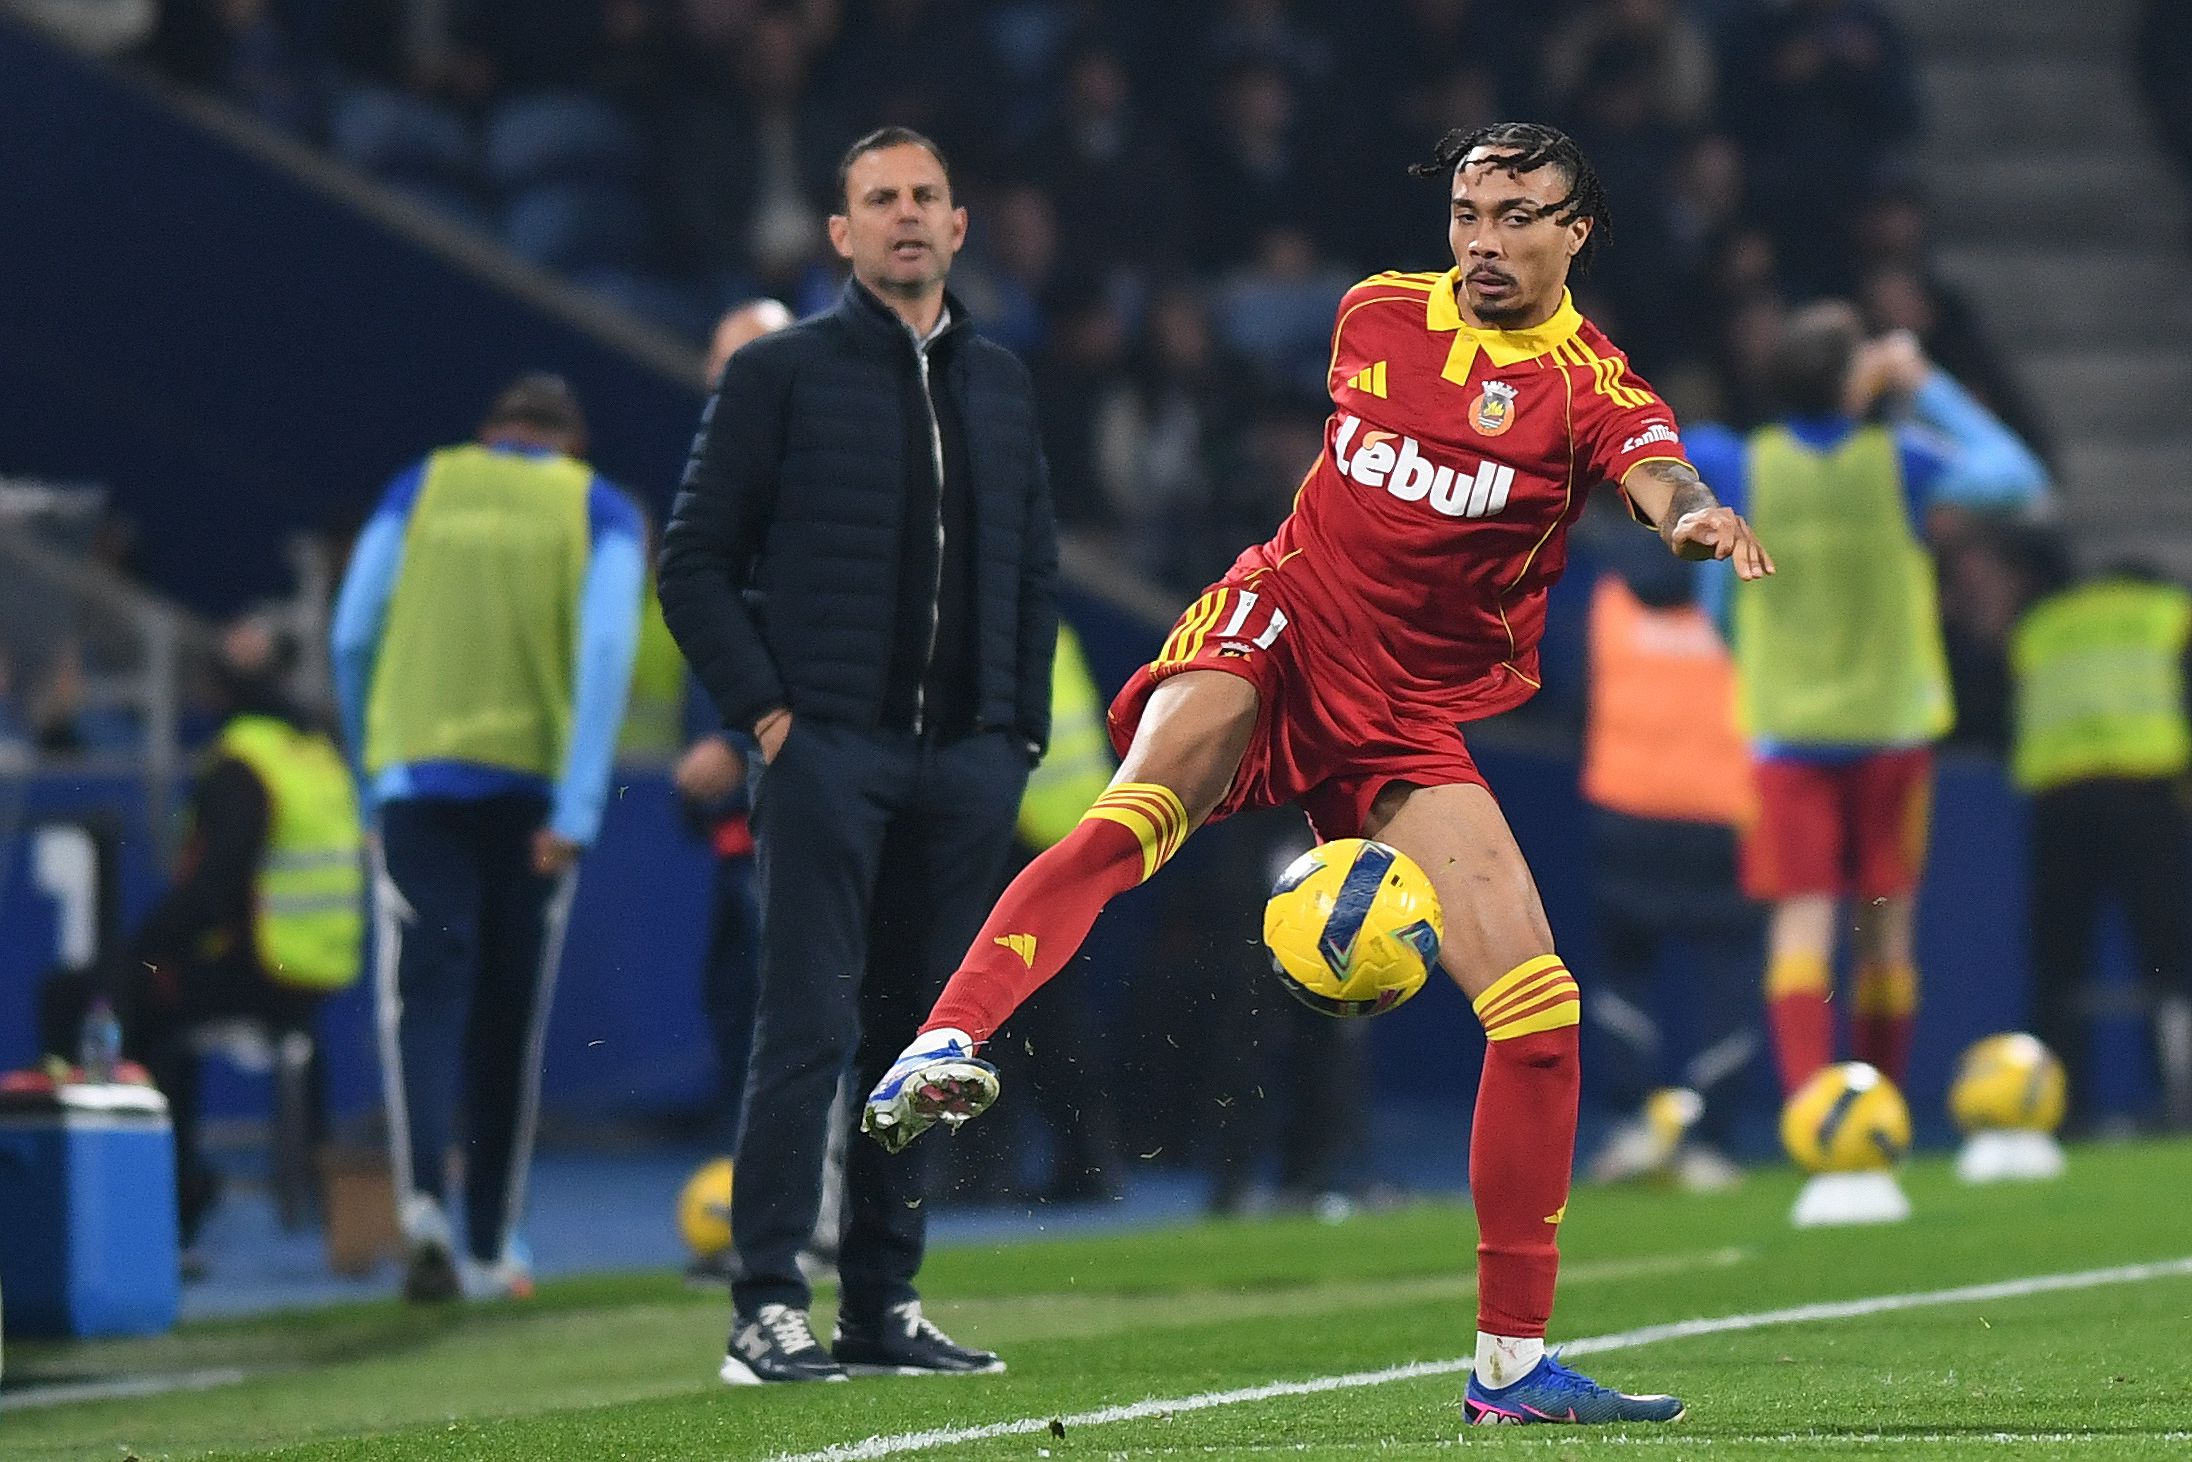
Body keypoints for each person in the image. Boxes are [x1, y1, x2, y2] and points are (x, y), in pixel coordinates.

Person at [865, 121, 1771, 1427]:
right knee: (1145, 805)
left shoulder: (1590, 385)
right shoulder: (1373, 313)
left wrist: (1688, 515)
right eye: (1469, 209)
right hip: (1282, 621)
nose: (1485, 239)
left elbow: (1651, 464)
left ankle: (1510, 1370)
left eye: (1520, 214)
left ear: (1579, 232)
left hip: (1404, 714)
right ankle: (946, 1038)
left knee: (1541, 1014)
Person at [657, 127, 1057, 1385]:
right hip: (831, 753)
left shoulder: (997, 380)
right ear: (838, 233)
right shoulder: (778, 375)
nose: (902, 217)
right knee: (806, 1029)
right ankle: (766, 1303)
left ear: (957, 224)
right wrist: (773, 721)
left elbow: (1033, 567)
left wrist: (1016, 734)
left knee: (922, 1049)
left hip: (964, 766)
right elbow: (695, 563)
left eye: (924, 196)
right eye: (877, 199)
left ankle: (881, 1307)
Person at [330, 373, 644, 1303]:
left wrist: (369, 771)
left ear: (490, 434)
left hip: (417, 782)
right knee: (509, 1018)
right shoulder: (597, 507)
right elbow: (606, 648)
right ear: (571, 442)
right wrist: (580, 809)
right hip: (535, 798)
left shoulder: (422, 485)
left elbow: (353, 633)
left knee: (423, 997)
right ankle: (492, 1245)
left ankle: (424, 1200)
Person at [1690, 308, 2046, 1100]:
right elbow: (2019, 480)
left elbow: (1716, 601)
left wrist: (1766, 663)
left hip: (1787, 730)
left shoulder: (1749, 469)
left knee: (1803, 921)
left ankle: (1812, 1114)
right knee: (1885, 927)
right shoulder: (1901, 463)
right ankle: (1876, 1108)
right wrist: (1926, 386)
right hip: (1889, 726)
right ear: (1855, 384)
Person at [39, 617, 363, 1261]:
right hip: (309, 973)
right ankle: (174, 1183)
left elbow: (213, 890)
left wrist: (141, 947)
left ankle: (162, 1196)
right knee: (145, 982)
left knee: (111, 992)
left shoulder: (242, 764)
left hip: (260, 972)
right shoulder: (314, 749)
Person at [1575, 520, 1761, 1190]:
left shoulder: (1608, 593)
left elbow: (1572, 690)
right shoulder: (1740, 591)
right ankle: (1710, 1144)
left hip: (1627, 812)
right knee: (1730, 982)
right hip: (1722, 815)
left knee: (1624, 975)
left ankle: (1631, 1129)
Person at [2011, 558, 2192, 1129]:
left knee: (2058, 964)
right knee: (2171, 962)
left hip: (2058, 801)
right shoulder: (2169, 613)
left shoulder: (2042, 624)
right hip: (2147, 794)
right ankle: (2178, 1098)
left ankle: (2056, 1111)